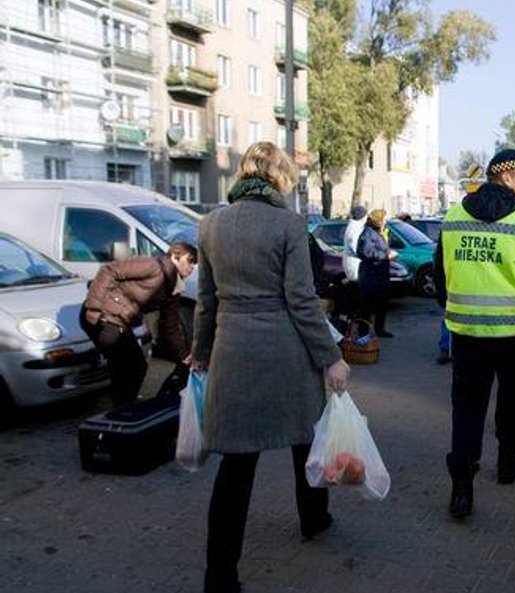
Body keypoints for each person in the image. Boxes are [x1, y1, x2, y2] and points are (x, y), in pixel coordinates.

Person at [190, 141, 350, 593]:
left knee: (237, 468)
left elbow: (205, 301)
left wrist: (200, 352)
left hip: (233, 352)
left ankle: (219, 577)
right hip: (285, 353)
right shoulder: (288, 224)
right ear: (280, 178)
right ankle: (314, 519)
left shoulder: (211, 224)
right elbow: (301, 300)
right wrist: (331, 356)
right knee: (305, 439)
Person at [433, 148, 515, 519]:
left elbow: (441, 278)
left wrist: (456, 307)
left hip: (467, 334)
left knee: (467, 410)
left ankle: (461, 488)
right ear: (505, 177)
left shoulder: (454, 216)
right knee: (512, 402)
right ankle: (508, 463)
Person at [80, 242, 197, 406]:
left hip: (119, 322)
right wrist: (94, 308)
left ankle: (123, 409)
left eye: (194, 263)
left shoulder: (173, 289)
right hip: (102, 316)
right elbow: (109, 270)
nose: (192, 267)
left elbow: (170, 326)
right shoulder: (152, 266)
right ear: (175, 257)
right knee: (127, 365)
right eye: (190, 260)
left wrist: (183, 357)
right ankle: (119, 411)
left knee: (137, 367)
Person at [357, 209, 395, 338]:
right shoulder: (368, 233)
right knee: (367, 307)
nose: (386, 221)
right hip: (371, 276)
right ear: (378, 220)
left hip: (380, 275)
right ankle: (363, 332)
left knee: (381, 305)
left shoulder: (378, 232)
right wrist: (386, 255)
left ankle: (380, 329)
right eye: (384, 219)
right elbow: (367, 253)